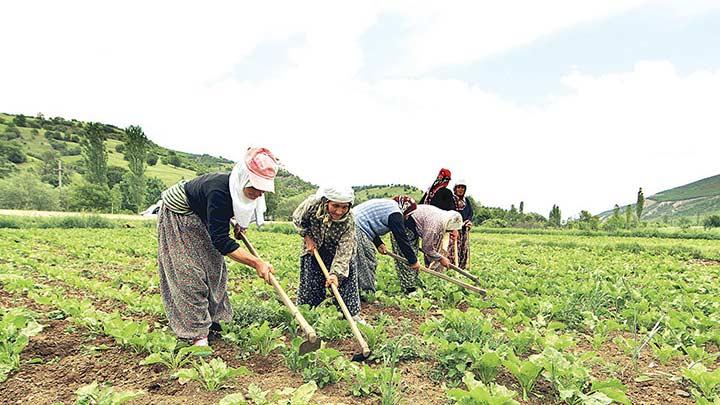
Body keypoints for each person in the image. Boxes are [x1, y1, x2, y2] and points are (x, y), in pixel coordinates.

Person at [156, 147, 278, 346]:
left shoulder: (248, 192)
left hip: (201, 214)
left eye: (262, 189)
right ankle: (195, 332)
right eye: (254, 188)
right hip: (179, 214)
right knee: (189, 272)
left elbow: (237, 209)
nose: (258, 193)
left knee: (214, 268)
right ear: (243, 180)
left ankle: (217, 321)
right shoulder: (219, 190)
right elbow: (221, 240)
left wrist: (240, 224)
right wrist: (256, 262)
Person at [292, 185, 362, 321]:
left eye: (344, 207)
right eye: (335, 206)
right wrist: (307, 238)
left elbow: (345, 250)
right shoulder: (312, 206)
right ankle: (307, 314)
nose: (339, 211)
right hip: (314, 244)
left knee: (346, 282)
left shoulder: (349, 220)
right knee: (311, 279)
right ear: (326, 202)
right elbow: (297, 219)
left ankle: (351, 316)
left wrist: (335, 274)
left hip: (338, 249)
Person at [352, 196, 420, 294]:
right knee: (367, 261)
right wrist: (413, 260)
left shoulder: (389, 206)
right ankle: (366, 293)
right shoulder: (395, 214)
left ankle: (357, 290)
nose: (407, 217)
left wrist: (378, 243)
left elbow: (370, 221)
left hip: (355, 224)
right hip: (356, 227)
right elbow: (401, 239)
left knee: (357, 260)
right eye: (408, 214)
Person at [390, 203, 463, 292]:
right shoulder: (433, 227)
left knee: (413, 256)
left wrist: (454, 229)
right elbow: (427, 248)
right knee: (408, 258)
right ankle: (409, 289)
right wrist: (441, 258)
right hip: (403, 227)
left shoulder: (444, 217)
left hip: (413, 226)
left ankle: (413, 283)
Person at [448, 179, 473, 269]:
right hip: (454, 228)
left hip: (464, 229)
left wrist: (469, 221)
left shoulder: (466, 201)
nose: (460, 189)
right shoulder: (451, 199)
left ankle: (462, 268)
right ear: (455, 188)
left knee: (463, 248)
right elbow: (451, 212)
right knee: (454, 249)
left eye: (462, 187)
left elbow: (470, 212)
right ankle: (453, 267)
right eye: (459, 187)